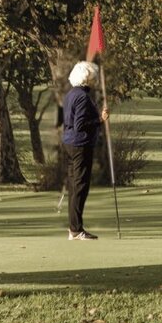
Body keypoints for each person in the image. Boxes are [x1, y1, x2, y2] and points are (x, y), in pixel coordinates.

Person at [62, 61, 109, 240]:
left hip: (70, 143)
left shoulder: (71, 94)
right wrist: (100, 120)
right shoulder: (82, 96)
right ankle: (76, 229)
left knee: (75, 187)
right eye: (93, 76)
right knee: (80, 186)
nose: (95, 79)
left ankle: (74, 228)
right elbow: (80, 124)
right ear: (86, 78)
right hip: (80, 144)